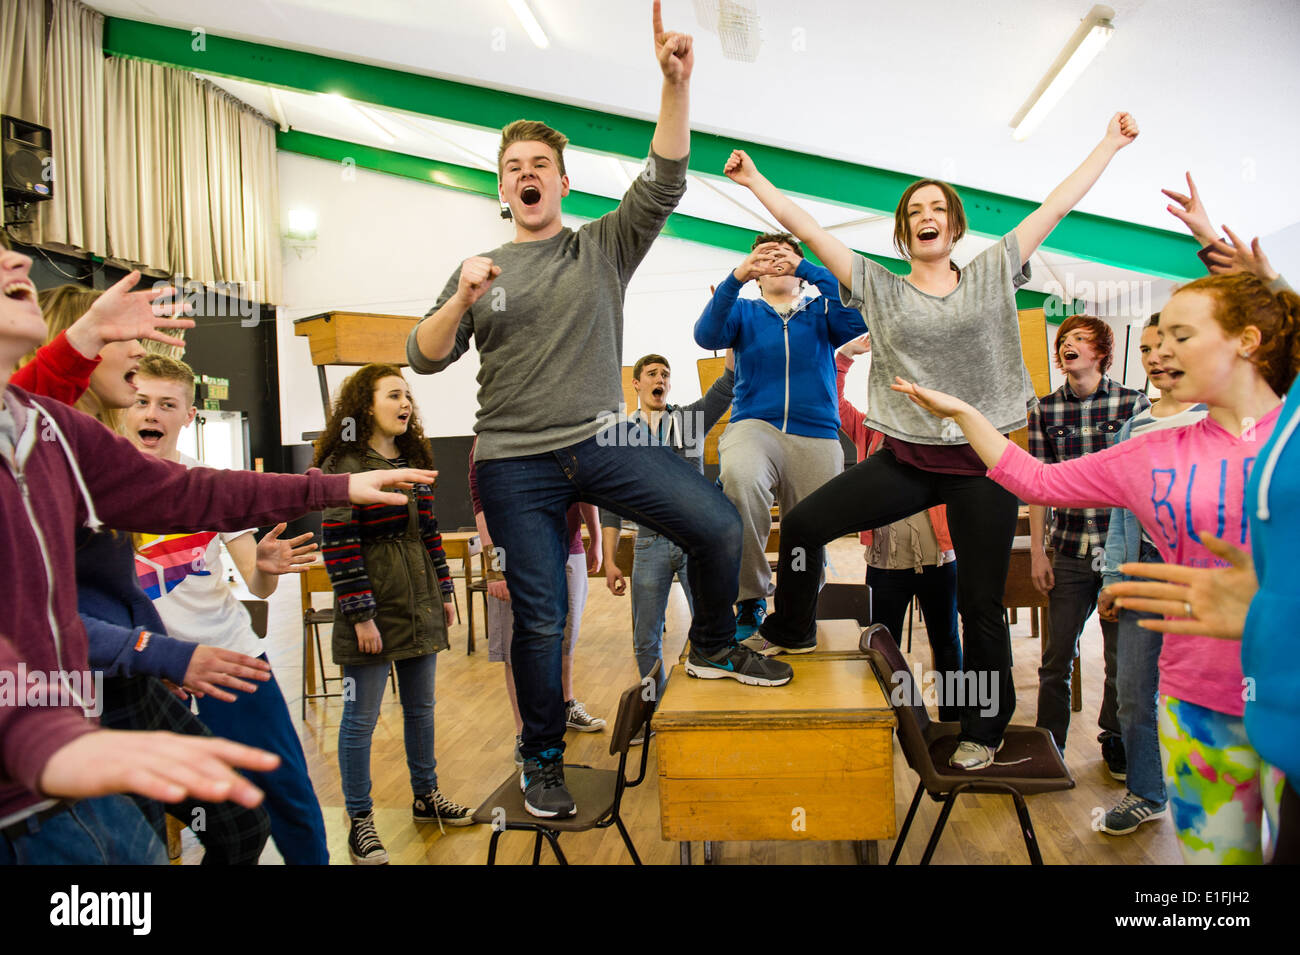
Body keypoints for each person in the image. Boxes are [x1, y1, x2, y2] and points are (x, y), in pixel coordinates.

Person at [405, 2, 790, 821]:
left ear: (562, 182)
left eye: (539, 162)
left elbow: (666, 180)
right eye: (513, 166)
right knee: (542, 619)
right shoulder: (479, 268)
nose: (526, 174)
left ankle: (717, 644)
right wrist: (464, 295)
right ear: (503, 185)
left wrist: (675, 84)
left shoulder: (599, 247)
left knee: (717, 523)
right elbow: (425, 354)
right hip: (512, 460)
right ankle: (541, 756)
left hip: (602, 436)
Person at [723, 111, 1140, 770]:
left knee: (979, 601)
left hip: (983, 464)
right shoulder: (878, 287)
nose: (926, 215)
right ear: (904, 229)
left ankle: (985, 725)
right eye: (914, 209)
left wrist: (1108, 144)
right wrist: (753, 181)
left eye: (936, 208)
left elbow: (1056, 206)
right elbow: (808, 229)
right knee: (803, 523)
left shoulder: (991, 271)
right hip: (909, 458)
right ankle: (792, 626)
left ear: (952, 226)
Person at [0, 240, 423, 862]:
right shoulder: (48, 427)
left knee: (245, 817)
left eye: (166, 402)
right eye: (141, 389)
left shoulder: (48, 428)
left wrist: (334, 487)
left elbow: (196, 493)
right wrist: (154, 657)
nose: (18, 262)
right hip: (79, 726)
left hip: (104, 707)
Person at [893, 269, 1296, 864]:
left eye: (1182, 336)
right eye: (1159, 341)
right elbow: (1037, 479)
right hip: (1200, 705)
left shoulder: (1288, 439)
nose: (1161, 351)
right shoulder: (1151, 448)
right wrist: (962, 412)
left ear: (1246, 339)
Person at [128, 353, 333, 864]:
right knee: (149, 813)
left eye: (166, 404)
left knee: (288, 789)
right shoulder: (94, 486)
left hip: (233, 661)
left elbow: (259, 587)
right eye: (142, 401)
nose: (152, 413)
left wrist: (264, 563)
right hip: (150, 674)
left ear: (188, 416)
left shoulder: (209, 483)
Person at [314, 363, 472, 865]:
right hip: (372, 602)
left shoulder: (412, 458)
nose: (405, 404)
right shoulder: (343, 465)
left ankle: (426, 796)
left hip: (418, 596)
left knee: (421, 709)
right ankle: (360, 819)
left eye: (408, 396)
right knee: (361, 718)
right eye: (392, 395)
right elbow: (338, 544)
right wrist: (361, 614)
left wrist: (445, 592)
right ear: (365, 406)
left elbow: (429, 533)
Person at [694, 233, 866, 638]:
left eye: (785, 256)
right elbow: (706, 335)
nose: (775, 262)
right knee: (741, 476)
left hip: (817, 433)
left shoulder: (822, 310)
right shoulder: (743, 311)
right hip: (756, 425)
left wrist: (807, 268)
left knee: (807, 523)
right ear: (756, 274)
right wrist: (736, 278)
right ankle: (750, 596)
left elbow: (857, 320)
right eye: (765, 257)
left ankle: (799, 603)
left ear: (800, 271)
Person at [1094, 315, 1206, 835]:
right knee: (1134, 690)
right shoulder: (1132, 426)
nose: (1156, 356)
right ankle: (1146, 792)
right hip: (1145, 570)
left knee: (1203, 694)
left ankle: (1210, 797)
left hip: (1206, 575)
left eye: (1167, 344)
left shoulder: (1223, 417)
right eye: (1145, 349)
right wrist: (1113, 579)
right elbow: (1122, 513)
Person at [1026, 315, 1149, 773]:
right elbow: (1037, 485)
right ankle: (1047, 742)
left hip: (1121, 552)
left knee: (1120, 656)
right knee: (1057, 656)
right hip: (1071, 549)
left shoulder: (1133, 404)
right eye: (1064, 340)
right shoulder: (1043, 410)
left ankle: (1115, 739)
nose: (1068, 345)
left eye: (1079, 339)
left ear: (1100, 352)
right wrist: (1039, 551)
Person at [834, 333, 962, 720]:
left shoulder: (942, 429)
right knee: (881, 645)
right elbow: (834, 402)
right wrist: (844, 356)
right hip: (887, 565)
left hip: (939, 562)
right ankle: (887, 719)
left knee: (947, 642)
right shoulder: (869, 430)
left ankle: (955, 721)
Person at [600, 349, 735, 702]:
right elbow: (610, 506)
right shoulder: (621, 432)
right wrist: (610, 560)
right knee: (645, 638)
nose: (661, 379)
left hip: (693, 543)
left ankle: (706, 708)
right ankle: (652, 712)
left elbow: (725, 387)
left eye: (666, 375)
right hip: (648, 545)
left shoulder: (689, 421)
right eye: (653, 374)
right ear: (637, 383)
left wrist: (731, 335)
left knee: (710, 626)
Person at [470, 441, 605, 767]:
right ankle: (523, 732)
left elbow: (585, 487)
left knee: (566, 637)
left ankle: (566, 703)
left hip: (568, 546)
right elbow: (480, 501)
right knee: (517, 647)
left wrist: (595, 538)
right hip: (514, 552)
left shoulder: (563, 423)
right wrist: (495, 566)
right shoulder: (489, 436)